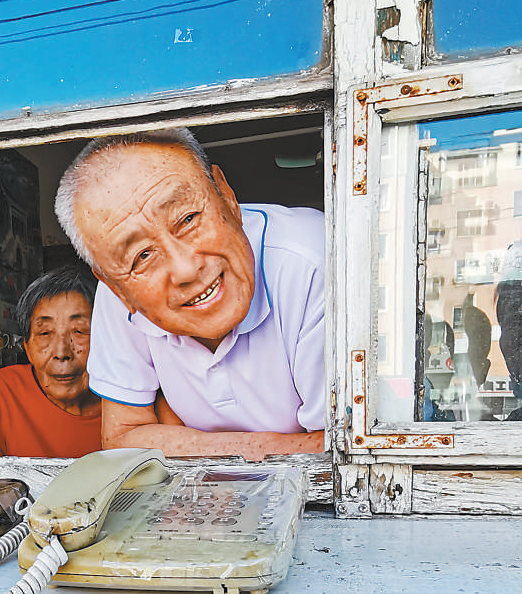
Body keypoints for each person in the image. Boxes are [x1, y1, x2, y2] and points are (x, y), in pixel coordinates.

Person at [53, 128, 324, 460]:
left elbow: (340, 453)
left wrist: (177, 434)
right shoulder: (121, 286)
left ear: (226, 196)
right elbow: (123, 438)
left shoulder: (313, 263)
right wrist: (260, 448)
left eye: (187, 219)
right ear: (114, 286)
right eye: (143, 255)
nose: (185, 269)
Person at [0, 267, 102, 457]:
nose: (61, 353)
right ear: (27, 347)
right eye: (45, 333)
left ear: (105, 340)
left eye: (79, 331)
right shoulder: (0, 395)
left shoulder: (131, 406)